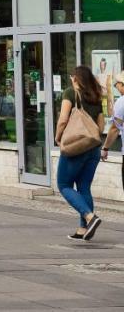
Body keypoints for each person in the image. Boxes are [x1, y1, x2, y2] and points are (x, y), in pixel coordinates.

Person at [58, 65, 105, 241]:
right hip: (94, 148)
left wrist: (58, 137)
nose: (71, 79)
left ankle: (90, 217)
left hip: (76, 147)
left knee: (64, 185)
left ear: (76, 78)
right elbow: (100, 127)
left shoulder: (70, 93)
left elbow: (63, 120)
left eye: (72, 76)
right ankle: (83, 229)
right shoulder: (96, 96)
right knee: (84, 186)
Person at [101, 76, 124, 189]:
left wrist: (105, 148)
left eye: (117, 84)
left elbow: (115, 128)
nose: (116, 87)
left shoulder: (122, 101)